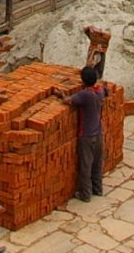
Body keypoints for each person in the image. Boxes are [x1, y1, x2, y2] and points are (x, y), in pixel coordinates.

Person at [53, 64, 105, 202]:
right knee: (97, 164)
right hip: (99, 133)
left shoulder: (85, 94)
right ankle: (98, 189)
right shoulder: (99, 91)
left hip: (87, 135)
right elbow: (108, 91)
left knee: (86, 165)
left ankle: (85, 195)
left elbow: (68, 101)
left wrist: (61, 94)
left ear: (83, 81)